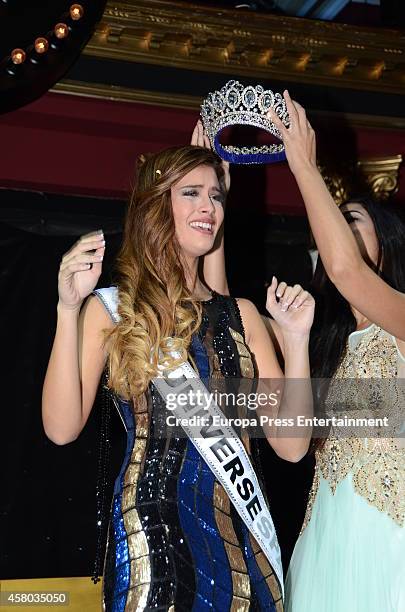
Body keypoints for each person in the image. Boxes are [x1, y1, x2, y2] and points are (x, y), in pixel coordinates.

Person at [42, 129, 315, 611]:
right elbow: (62, 429)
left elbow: (291, 447)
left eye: (215, 195)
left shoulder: (243, 315)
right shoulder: (113, 310)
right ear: (155, 207)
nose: (208, 206)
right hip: (153, 528)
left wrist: (294, 341)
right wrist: (67, 309)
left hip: (240, 535)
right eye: (191, 193)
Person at [266, 93, 405, 612]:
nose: (335, 240)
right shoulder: (320, 345)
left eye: (353, 223)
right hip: (323, 545)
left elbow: (348, 270)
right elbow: (293, 446)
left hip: (389, 546)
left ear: (386, 247)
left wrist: (303, 164)